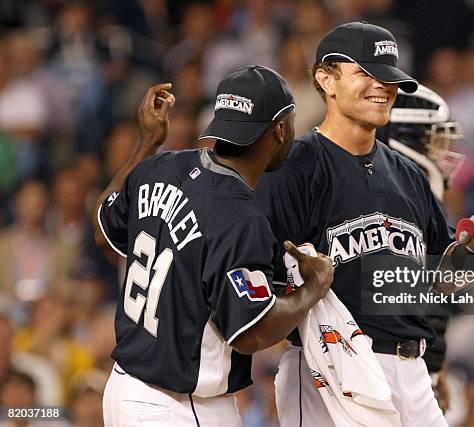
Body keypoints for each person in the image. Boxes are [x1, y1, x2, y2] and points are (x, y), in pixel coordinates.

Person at [255, 22, 474, 426]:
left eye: (388, 77)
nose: (382, 87)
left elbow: (440, 282)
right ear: (326, 79)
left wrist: (471, 253)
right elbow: (259, 276)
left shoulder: (409, 175)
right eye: (366, 74)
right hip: (334, 366)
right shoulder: (294, 168)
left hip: (413, 369)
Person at [92, 67, 334, 426]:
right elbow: (252, 333)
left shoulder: (158, 166)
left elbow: (102, 230)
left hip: (123, 390)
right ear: (280, 129)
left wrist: (147, 143)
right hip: (179, 405)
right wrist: (314, 287)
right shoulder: (240, 217)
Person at [379, 84, 466, 414]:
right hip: (379, 361)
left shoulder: (416, 195)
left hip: (405, 362)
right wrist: (429, 368)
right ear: (406, 139)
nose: (444, 152)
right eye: (433, 140)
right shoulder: (396, 198)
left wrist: (433, 365)